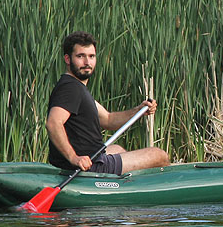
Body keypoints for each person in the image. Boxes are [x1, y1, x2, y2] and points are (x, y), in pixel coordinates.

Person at [45, 31, 170, 174]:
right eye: (80, 56)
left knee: (118, 149)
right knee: (159, 155)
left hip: (91, 160)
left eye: (91, 56)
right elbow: (53, 123)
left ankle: (125, 190)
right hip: (88, 166)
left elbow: (109, 120)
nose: (87, 62)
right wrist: (74, 158)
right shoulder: (70, 88)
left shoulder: (77, 88)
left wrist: (139, 110)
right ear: (67, 59)